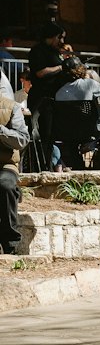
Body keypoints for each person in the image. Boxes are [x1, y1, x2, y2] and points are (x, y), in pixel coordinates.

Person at [27, 21, 69, 169]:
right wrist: (60, 67)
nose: (61, 41)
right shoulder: (37, 51)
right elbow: (40, 72)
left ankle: (50, 164)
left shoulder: (55, 52)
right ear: (51, 37)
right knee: (42, 134)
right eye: (59, 37)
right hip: (41, 99)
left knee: (51, 136)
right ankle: (41, 167)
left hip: (54, 99)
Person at [53, 57, 100, 169]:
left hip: (67, 133)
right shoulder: (90, 84)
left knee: (72, 144)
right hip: (89, 131)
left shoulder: (59, 92)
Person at [0, 67, 29, 253]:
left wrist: (1, 130)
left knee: (5, 185)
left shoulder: (12, 107)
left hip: (6, 164)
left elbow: (23, 139)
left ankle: (10, 244)